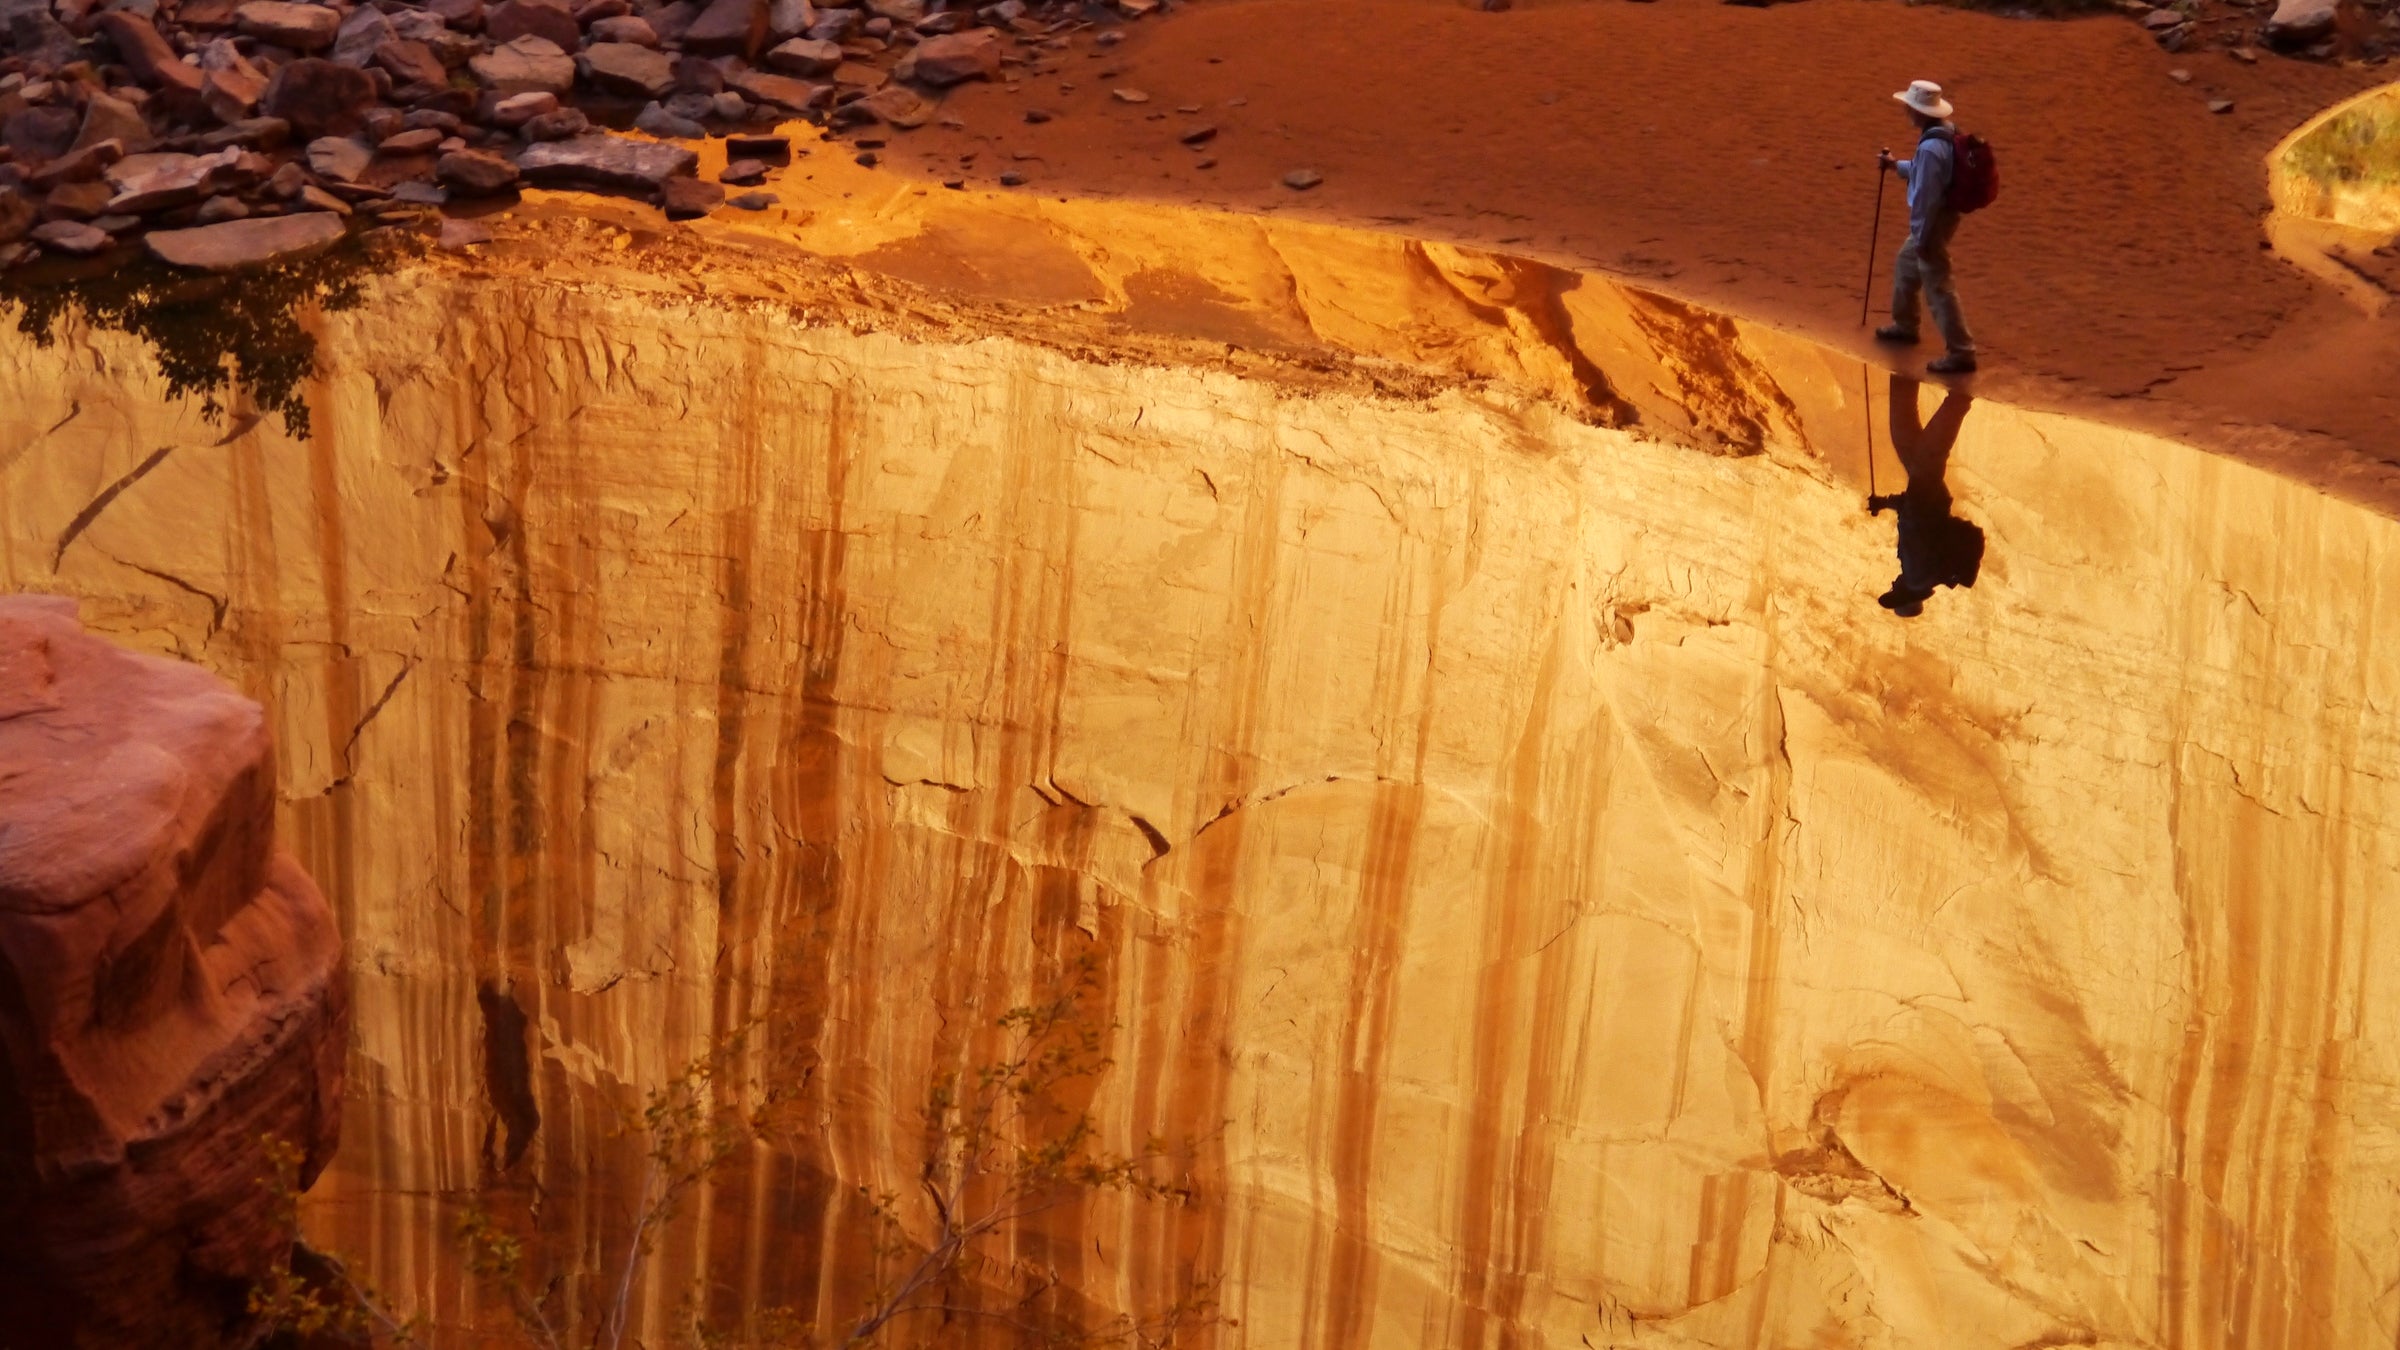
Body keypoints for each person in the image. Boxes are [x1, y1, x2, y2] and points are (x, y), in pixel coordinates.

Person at [1876, 80, 1977, 376]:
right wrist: (1897, 166)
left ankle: (1962, 352)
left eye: (1909, 106)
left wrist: (1921, 236)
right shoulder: (1943, 133)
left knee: (1938, 283)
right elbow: (1924, 173)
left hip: (1934, 221)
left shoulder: (1933, 146)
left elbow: (1926, 198)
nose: (1906, 110)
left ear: (1919, 111)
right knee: (1907, 265)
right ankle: (1905, 325)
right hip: (1938, 218)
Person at [1868, 372, 1982, 616]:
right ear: (1903, 596)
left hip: (1928, 498)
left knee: (1904, 438)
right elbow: (1916, 518)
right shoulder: (1917, 573)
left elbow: (1912, 518)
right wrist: (1889, 503)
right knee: (1931, 450)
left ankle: (1905, 379)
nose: (1892, 585)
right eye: (1893, 592)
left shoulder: (1919, 574)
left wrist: (1886, 502)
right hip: (1927, 497)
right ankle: (1960, 396)